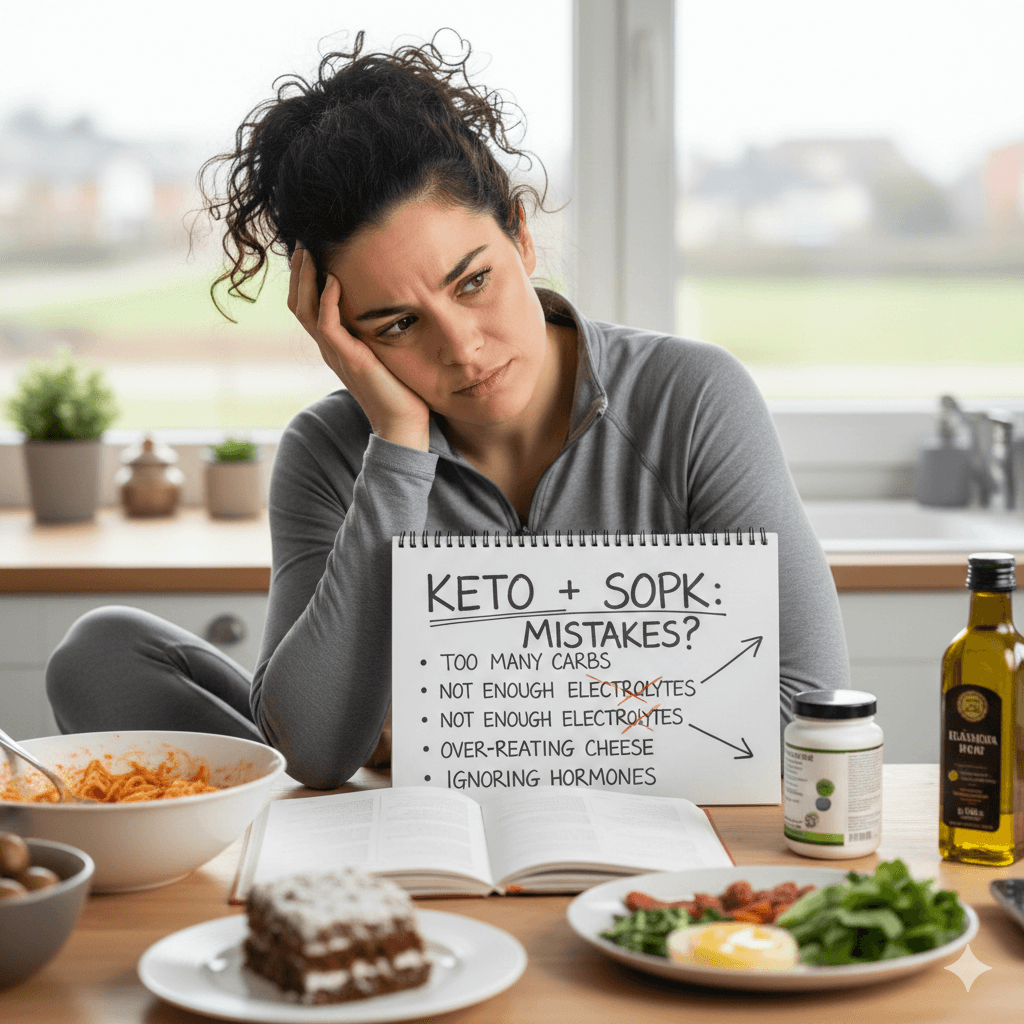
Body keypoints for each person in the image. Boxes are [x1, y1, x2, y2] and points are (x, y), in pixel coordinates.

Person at [46, 32, 850, 789]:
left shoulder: (694, 396)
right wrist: (397, 447)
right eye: (396, 324)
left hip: (648, 820)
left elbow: (808, 715)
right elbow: (317, 754)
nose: (462, 349)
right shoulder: (327, 448)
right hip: (394, 819)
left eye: (473, 281)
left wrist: (449, 726)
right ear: (339, 332)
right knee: (104, 653)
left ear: (521, 237)